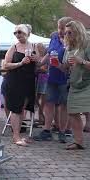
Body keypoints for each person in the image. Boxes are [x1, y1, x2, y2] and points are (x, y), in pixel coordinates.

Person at [34, 17, 73, 143]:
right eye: (59, 28)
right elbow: (49, 53)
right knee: (49, 103)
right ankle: (46, 131)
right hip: (52, 76)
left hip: (65, 77)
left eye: (63, 28)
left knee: (63, 105)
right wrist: (40, 63)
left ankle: (62, 131)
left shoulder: (71, 39)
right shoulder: (54, 37)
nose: (60, 31)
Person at [4, 24, 40, 146]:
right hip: (15, 81)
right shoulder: (13, 47)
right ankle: (15, 137)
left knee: (22, 109)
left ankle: (18, 135)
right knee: (16, 109)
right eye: (16, 33)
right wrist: (20, 63)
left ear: (26, 33)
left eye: (20, 32)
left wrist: (37, 60)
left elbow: (39, 65)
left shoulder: (34, 46)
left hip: (28, 81)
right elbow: (5, 65)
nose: (18, 35)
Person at [60, 20, 90, 150]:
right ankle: (79, 142)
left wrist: (81, 61)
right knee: (72, 112)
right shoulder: (69, 47)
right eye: (66, 32)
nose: (67, 35)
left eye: (69, 32)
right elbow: (66, 68)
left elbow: (83, 63)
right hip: (74, 84)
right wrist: (58, 65)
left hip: (88, 84)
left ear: (78, 31)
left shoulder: (87, 44)